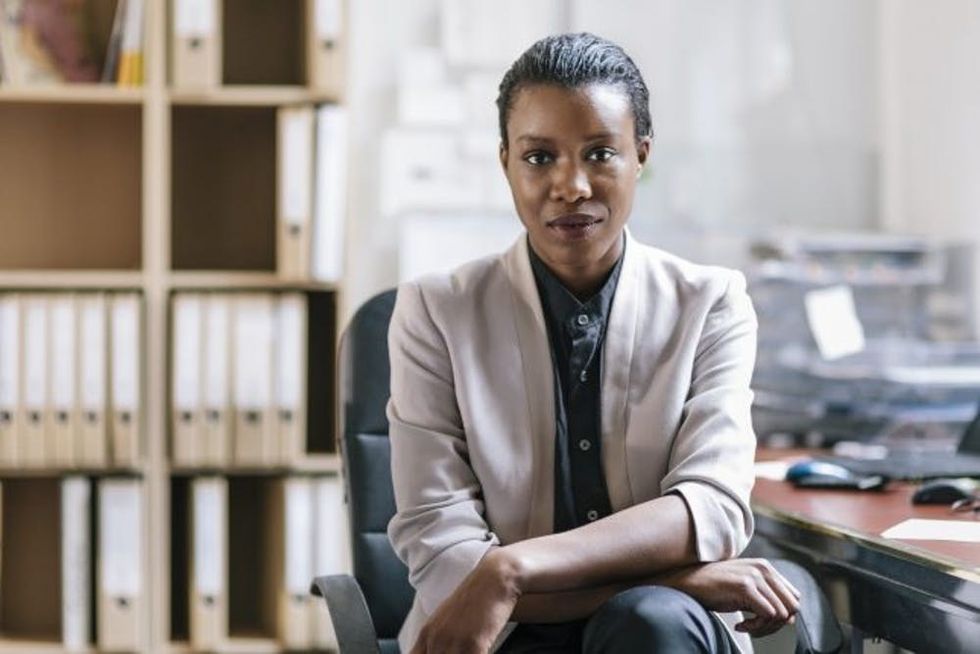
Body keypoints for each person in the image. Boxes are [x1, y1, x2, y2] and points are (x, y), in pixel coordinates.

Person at [386, 33, 800, 654]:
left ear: (642, 156)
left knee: (652, 620)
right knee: (656, 607)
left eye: (601, 153)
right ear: (505, 163)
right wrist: (685, 579)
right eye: (538, 158)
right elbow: (446, 557)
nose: (571, 185)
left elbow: (711, 508)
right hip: (497, 640)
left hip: (655, 635)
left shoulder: (710, 302)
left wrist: (510, 570)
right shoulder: (435, 311)